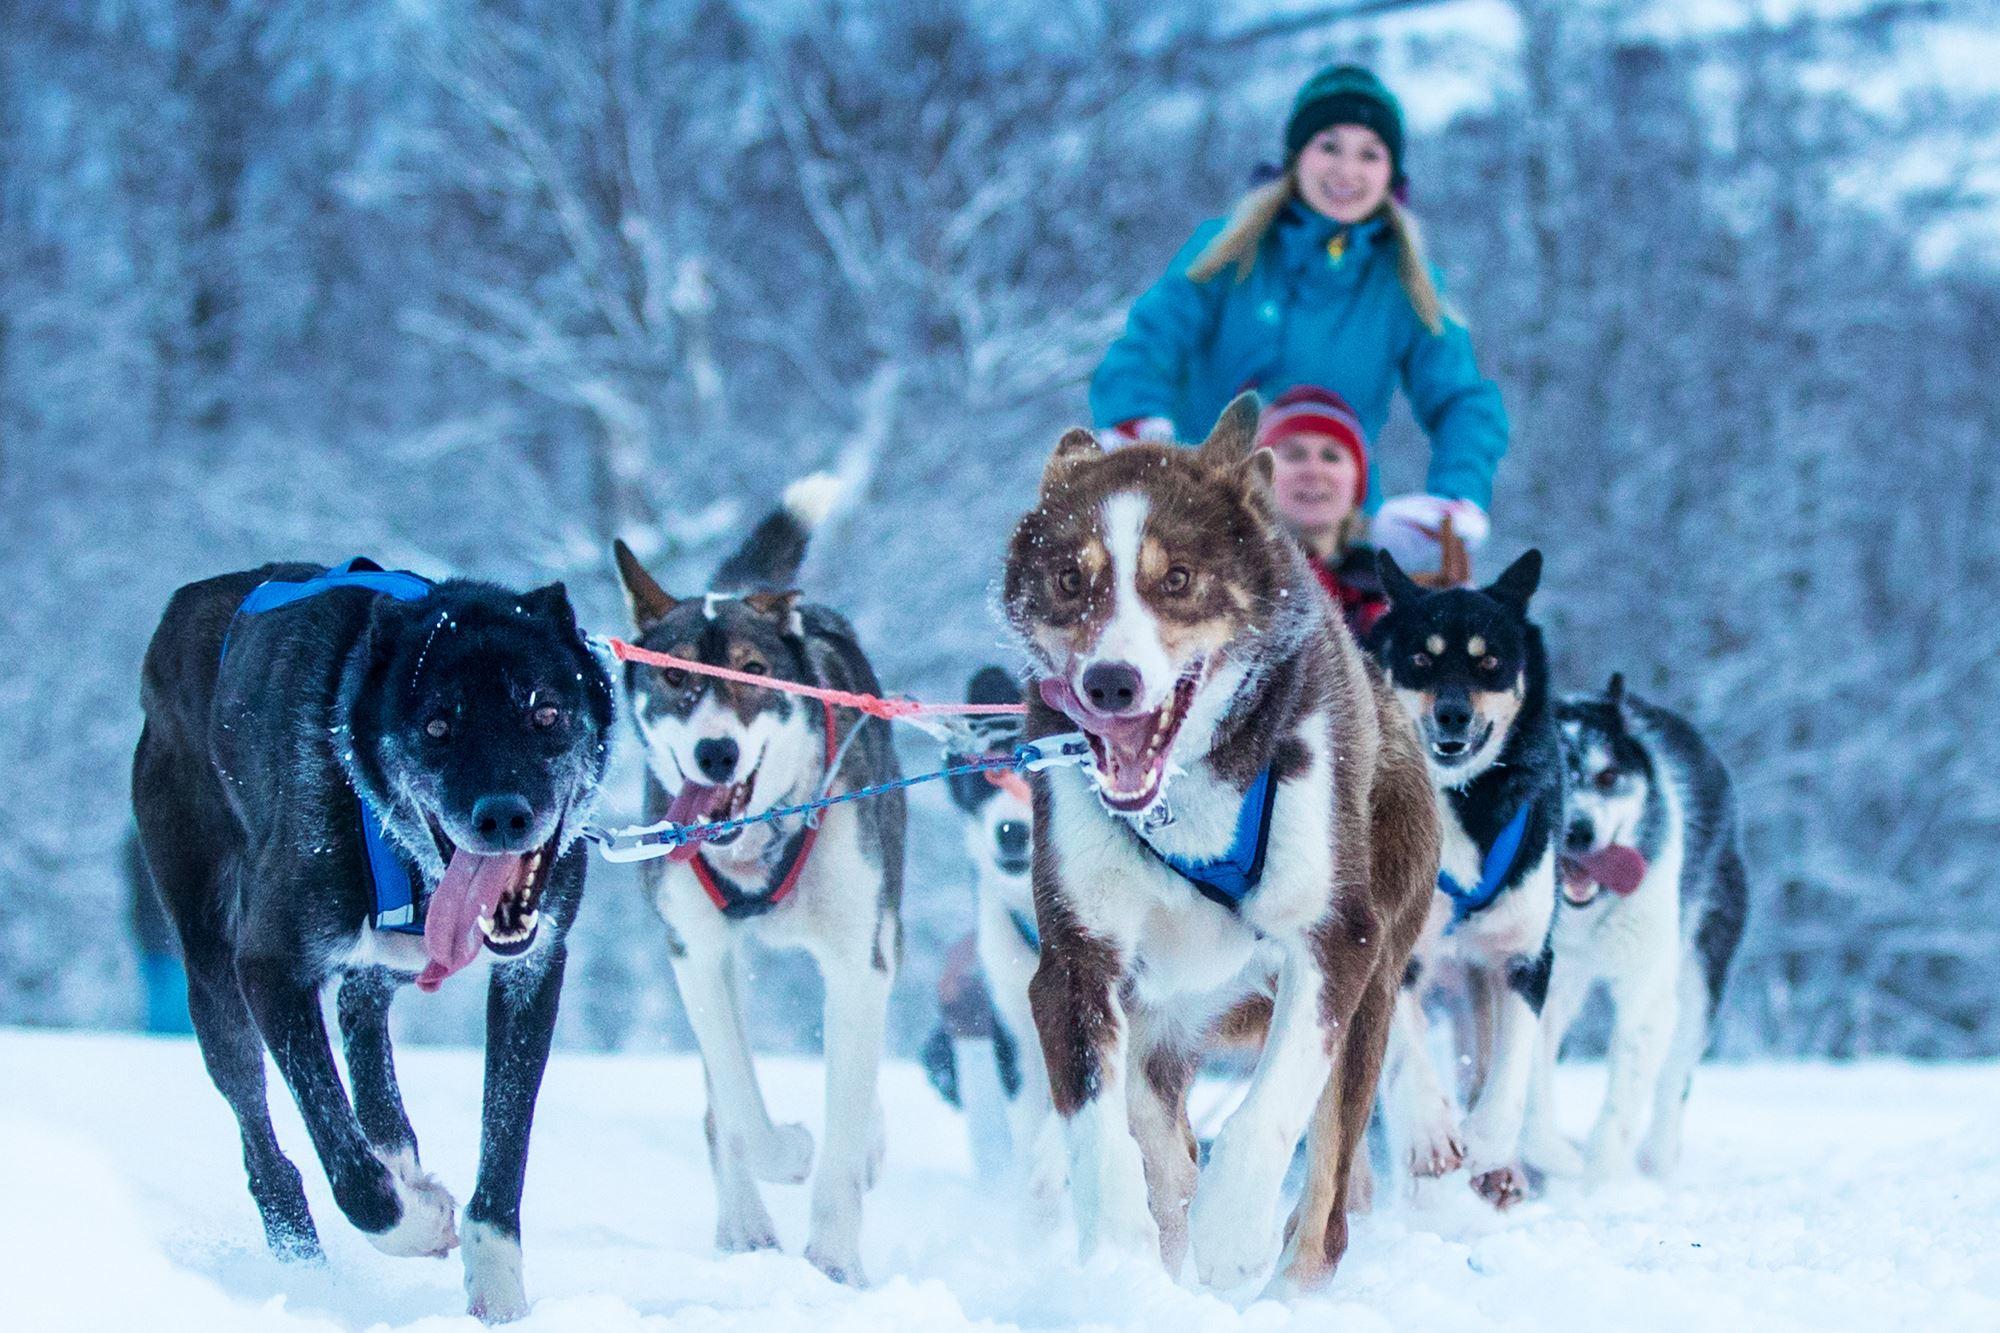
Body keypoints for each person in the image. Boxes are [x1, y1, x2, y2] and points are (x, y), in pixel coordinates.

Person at [1090, 63, 1508, 570]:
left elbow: (1464, 400)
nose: (1347, 171)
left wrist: (1455, 497)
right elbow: (1147, 346)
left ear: (1391, 176)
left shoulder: (1406, 283)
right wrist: (1137, 425)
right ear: (1296, 157)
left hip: (1332, 533)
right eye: (1329, 146)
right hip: (1206, 524)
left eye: (1370, 154)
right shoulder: (1226, 251)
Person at [1257, 385, 1388, 637]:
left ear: (1357, 481)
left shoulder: (1387, 596)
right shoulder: (1231, 585)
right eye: (1294, 455)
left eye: (1331, 457)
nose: (1314, 470)